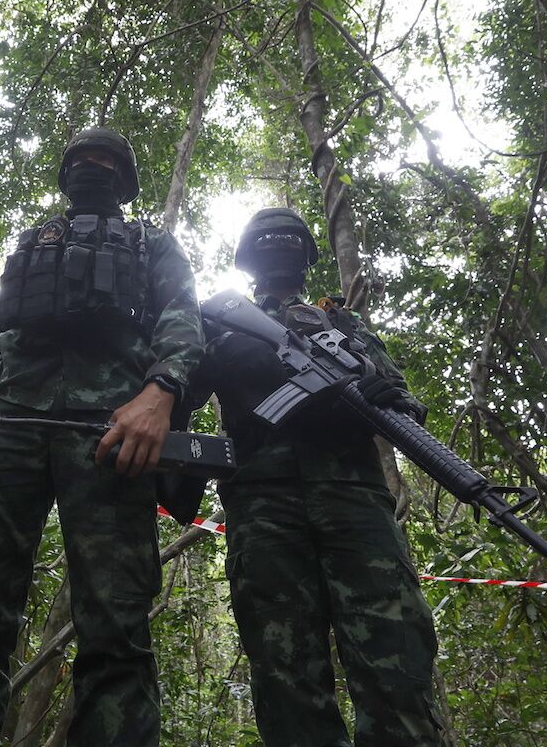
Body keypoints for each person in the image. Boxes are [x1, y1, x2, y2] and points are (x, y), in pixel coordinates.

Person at [0, 127, 204, 747]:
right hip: (11, 422)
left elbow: (183, 319)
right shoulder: (32, 243)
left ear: (125, 183)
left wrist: (161, 393)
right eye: (80, 161)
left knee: (115, 625)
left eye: (104, 163)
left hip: (108, 430)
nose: (90, 169)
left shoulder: (152, 242)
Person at [183, 207, 442, 747]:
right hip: (262, 507)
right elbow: (174, 401)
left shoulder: (343, 324)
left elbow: (398, 398)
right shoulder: (223, 323)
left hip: (356, 503)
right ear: (250, 259)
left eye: (290, 243)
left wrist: (381, 391)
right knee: (285, 676)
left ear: (306, 258)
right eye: (269, 243)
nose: (280, 253)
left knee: (398, 663)